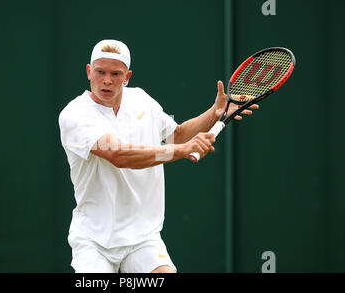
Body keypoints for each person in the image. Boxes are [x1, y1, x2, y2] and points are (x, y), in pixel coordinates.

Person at [58, 39, 257, 273]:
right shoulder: (75, 114)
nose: (107, 80)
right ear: (89, 72)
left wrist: (214, 113)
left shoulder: (141, 99)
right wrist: (182, 151)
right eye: (100, 72)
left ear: (127, 77)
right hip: (95, 241)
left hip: (143, 238)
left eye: (115, 73)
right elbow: (119, 156)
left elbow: (179, 135)